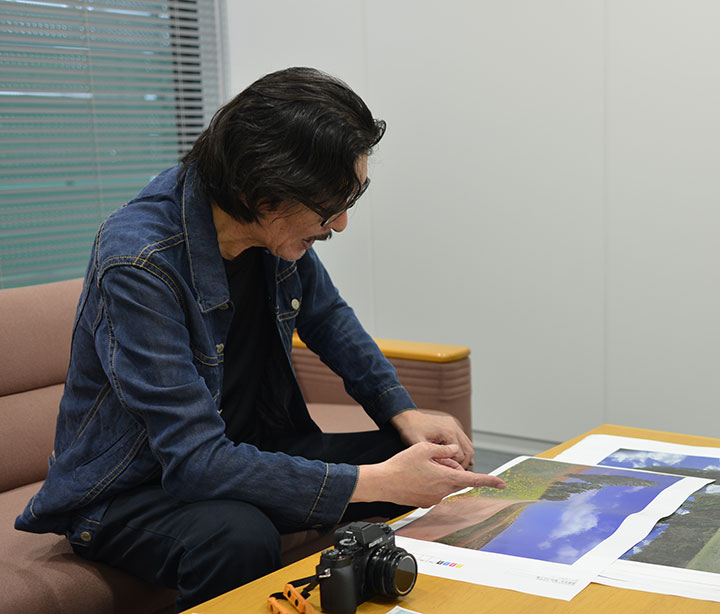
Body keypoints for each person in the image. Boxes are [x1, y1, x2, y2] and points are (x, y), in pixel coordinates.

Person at [15, 67, 505, 611]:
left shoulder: (272, 230)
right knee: (238, 535)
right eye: (329, 208)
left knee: (424, 458)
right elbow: (196, 460)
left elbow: (329, 320)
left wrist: (403, 414)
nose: (339, 224)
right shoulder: (139, 262)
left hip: (250, 449)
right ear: (263, 192)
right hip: (132, 491)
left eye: (351, 200)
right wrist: (371, 481)